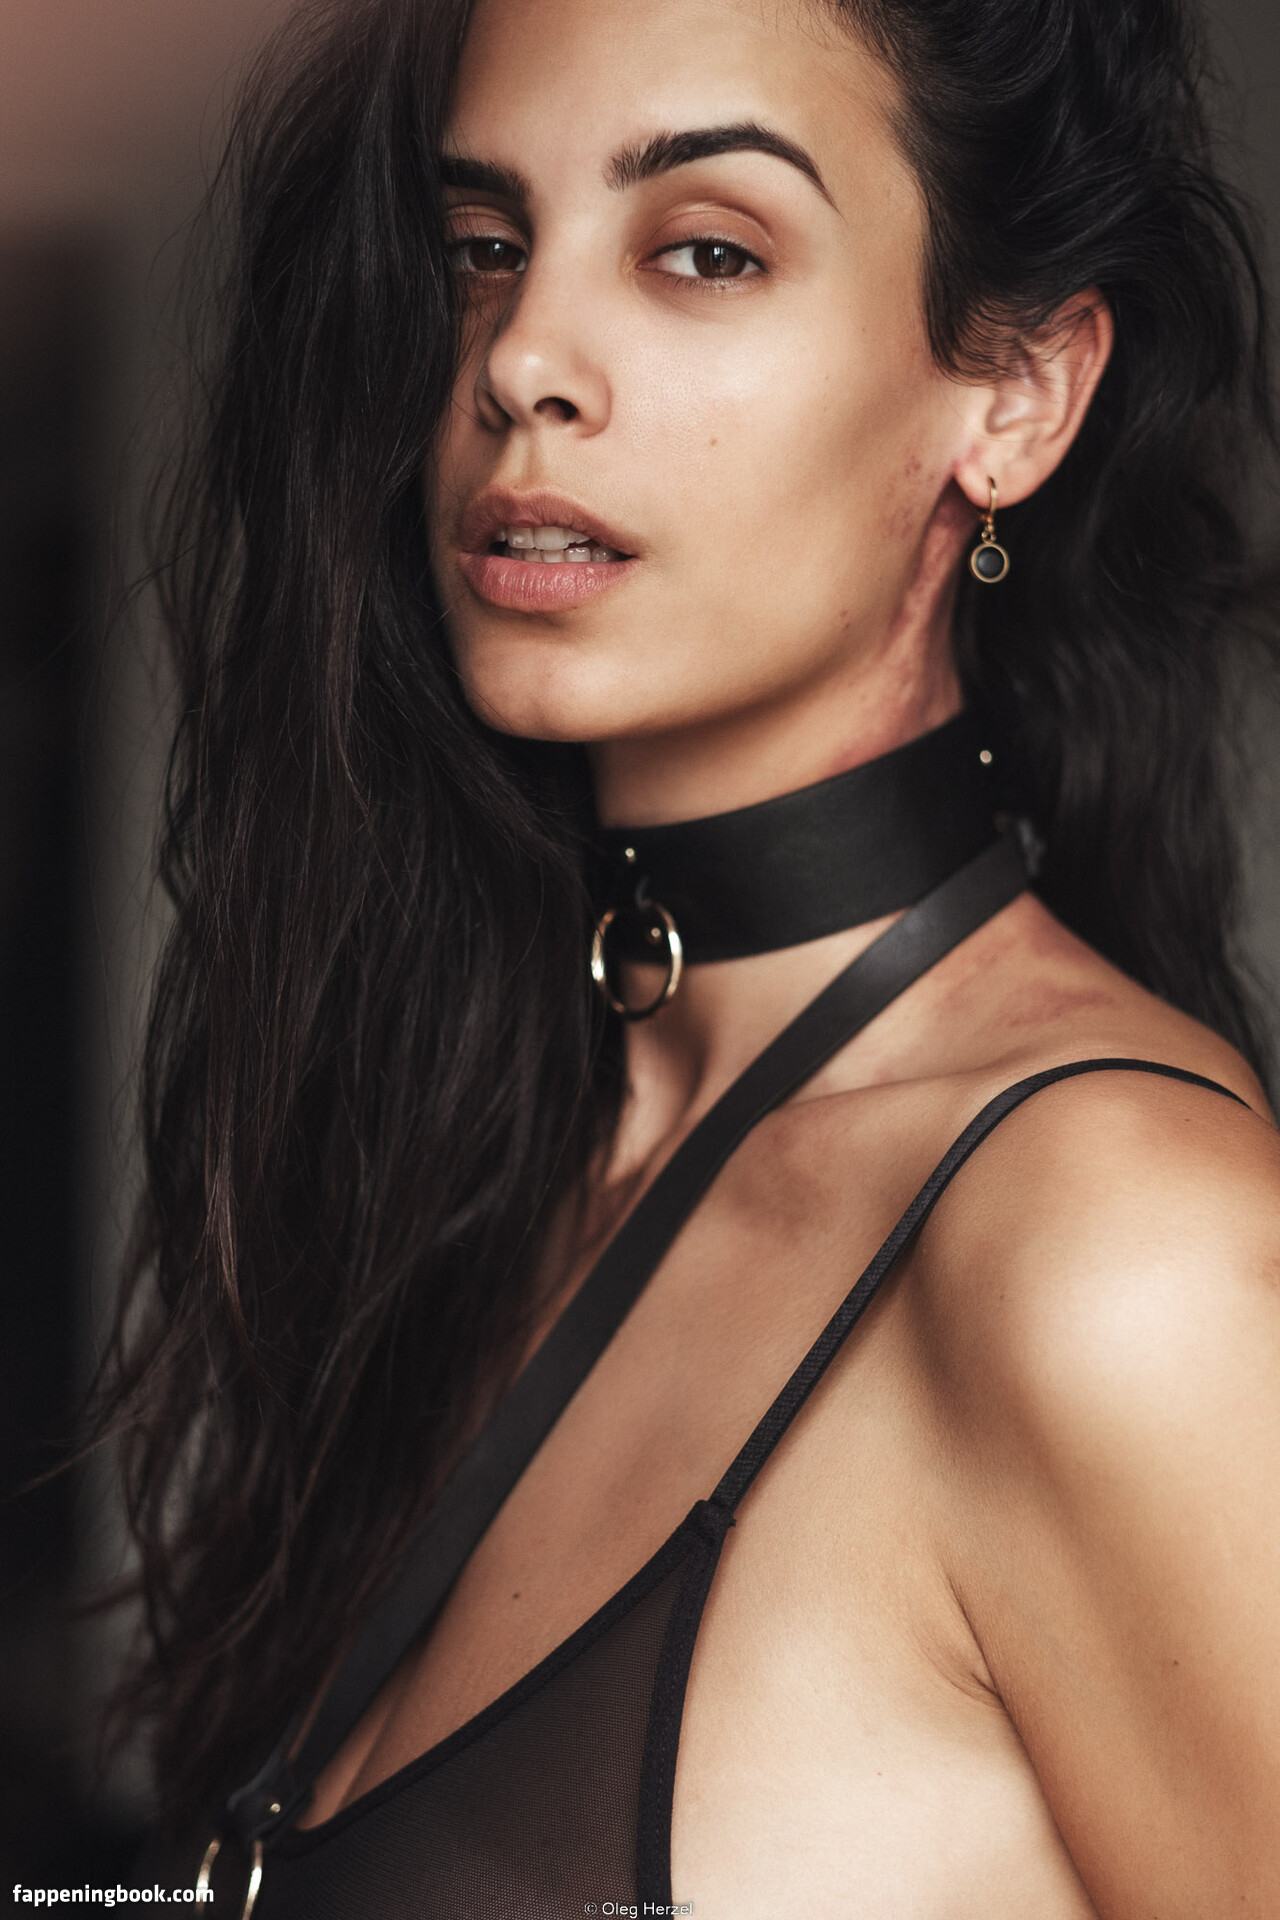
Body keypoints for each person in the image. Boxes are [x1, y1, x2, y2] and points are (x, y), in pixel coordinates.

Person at [103, 0, 1280, 1912]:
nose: (522, 358)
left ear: (1016, 394)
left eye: (708, 250)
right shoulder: (495, 1161)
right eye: (486, 244)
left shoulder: (1115, 1255)